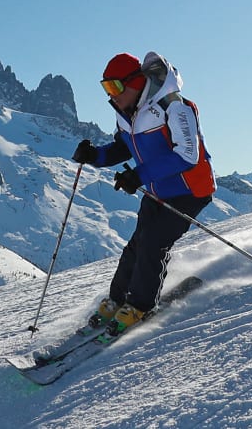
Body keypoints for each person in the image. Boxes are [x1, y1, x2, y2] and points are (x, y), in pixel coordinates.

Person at [72, 51, 216, 336]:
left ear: (135, 82)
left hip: (190, 190)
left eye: (115, 86)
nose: (111, 95)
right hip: (157, 190)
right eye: (106, 88)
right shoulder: (127, 115)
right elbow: (122, 148)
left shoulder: (174, 106)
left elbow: (188, 155)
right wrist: (95, 156)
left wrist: (139, 175)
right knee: (136, 244)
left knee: (153, 242)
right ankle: (117, 299)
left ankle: (140, 305)